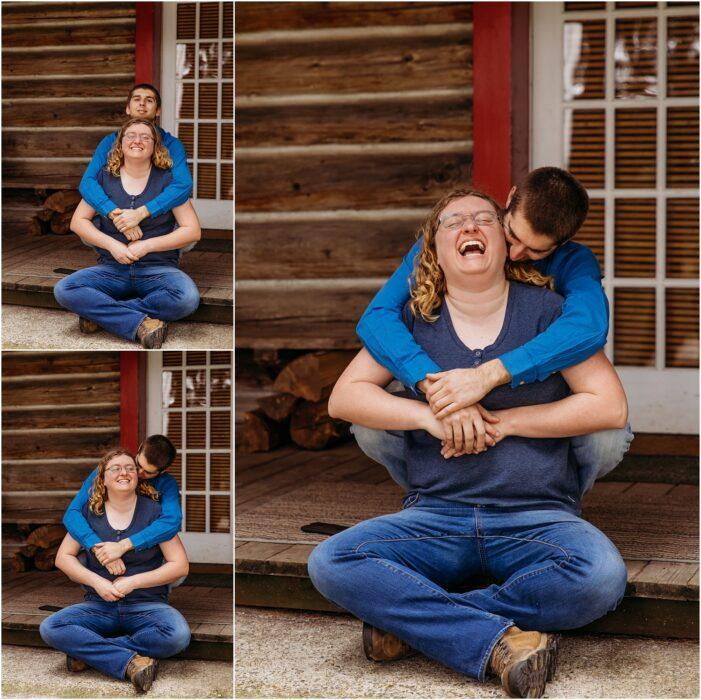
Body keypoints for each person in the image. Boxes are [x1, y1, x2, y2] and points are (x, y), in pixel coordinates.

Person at [308, 188, 629, 698]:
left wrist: (501, 423)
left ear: (505, 243)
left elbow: (609, 406)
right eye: (453, 222)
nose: (470, 226)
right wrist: (431, 416)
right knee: (331, 561)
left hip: (534, 517)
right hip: (435, 515)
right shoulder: (413, 319)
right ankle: (500, 640)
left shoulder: (550, 312)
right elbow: (343, 398)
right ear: (432, 249)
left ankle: (417, 621)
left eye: (483, 219)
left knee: (601, 577)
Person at [354, 167, 633, 497]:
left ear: (562, 243)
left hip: (533, 397)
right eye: (512, 236)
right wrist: (436, 389)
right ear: (511, 198)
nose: (516, 255)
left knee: (608, 439)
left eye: (536, 251)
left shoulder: (574, 262)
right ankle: (429, 495)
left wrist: (490, 375)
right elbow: (376, 317)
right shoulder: (448, 245)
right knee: (370, 426)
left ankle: (561, 498)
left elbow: (589, 326)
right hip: (446, 376)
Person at [54, 85, 200, 349]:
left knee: (187, 298)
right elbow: (80, 211)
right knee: (64, 289)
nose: (137, 141)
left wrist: (144, 233)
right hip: (112, 266)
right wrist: (113, 235)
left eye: (145, 138)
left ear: (156, 145)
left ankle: (105, 315)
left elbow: (189, 216)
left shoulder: (167, 175)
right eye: (131, 136)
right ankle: (140, 321)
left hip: (158, 267)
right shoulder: (105, 175)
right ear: (119, 144)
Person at [40, 448, 191, 693]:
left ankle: (92, 653)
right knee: (51, 627)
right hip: (98, 605)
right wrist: (97, 582)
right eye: (116, 468)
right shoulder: (89, 514)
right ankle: (130, 661)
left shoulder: (155, 512)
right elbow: (63, 558)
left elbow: (179, 565)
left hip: (147, 605)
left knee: (178, 636)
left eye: (130, 468)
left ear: (139, 476)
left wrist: (132, 582)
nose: (125, 472)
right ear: (102, 479)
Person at [63, 435, 180, 575]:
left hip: (145, 556)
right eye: (138, 465)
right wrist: (100, 550)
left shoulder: (167, 484)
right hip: (102, 546)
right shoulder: (107, 472)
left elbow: (172, 521)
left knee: (173, 567)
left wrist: (123, 546)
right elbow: (72, 513)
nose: (139, 473)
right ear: (139, 449)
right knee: (78, 561)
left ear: (161, 472)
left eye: (148, 472)